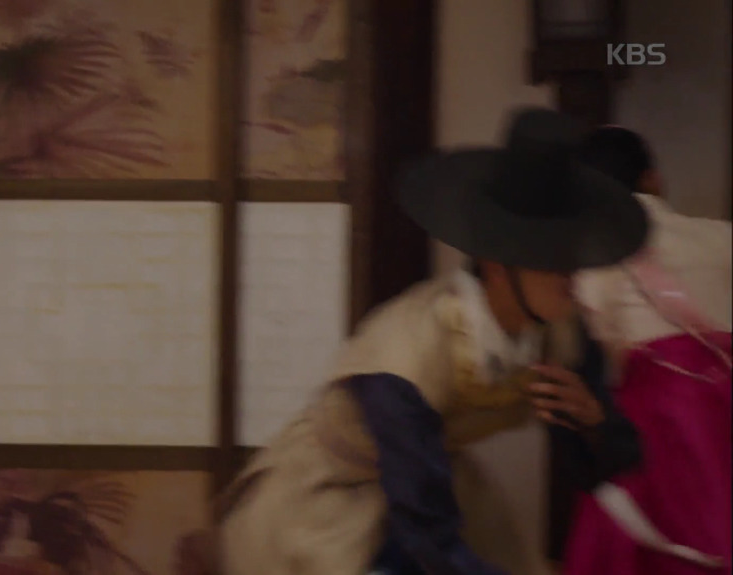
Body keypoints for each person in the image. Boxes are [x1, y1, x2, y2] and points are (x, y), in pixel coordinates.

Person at [213, 108, 650, 575]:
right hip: (328, 499)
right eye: (552, 256)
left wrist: (595, 422)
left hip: (432, 486)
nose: (573, 272)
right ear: (497, 263)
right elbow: (426, 531)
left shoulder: (561, 331)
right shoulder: (408, 349)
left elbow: (602, 467)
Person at [563, 126, 732, 575]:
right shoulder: (721, 238)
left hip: (651, 411)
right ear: (652, 178)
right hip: (725, 403)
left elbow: (603, 339)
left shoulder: (598, 255)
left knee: (648, 541)